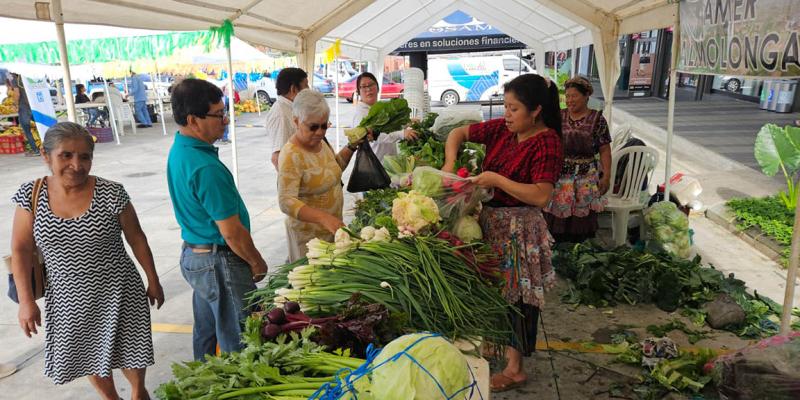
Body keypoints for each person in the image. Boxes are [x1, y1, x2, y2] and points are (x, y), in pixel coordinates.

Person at [10, 122, 164, 398]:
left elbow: (136, 238)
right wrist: (26, 301)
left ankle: (138, 391)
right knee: (89, 354)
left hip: (119, 289)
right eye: (65, 155)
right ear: (46, 156)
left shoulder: (112, 193)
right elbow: (20, 250)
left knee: (131, 351)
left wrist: (153, 279)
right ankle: (110, 397)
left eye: (85, 157)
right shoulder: (30, 196)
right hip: (68, 297)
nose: (76, 165)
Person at [442, 74, 563, 392]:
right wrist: (450, 163)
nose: (506, 114)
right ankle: (496, 346)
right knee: (497, 290)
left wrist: (496, 179)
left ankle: (515, 368)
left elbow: (541, 195)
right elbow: (458, 132)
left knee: (520, 297)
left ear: (535, 110)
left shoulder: (547, 141)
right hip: (492, 223)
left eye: (514, 109)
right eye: (506, 106)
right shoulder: (503, 130)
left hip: (521, 229)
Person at [166, 78, 269, 360]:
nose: (225, 121)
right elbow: (232, 232)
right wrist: (256, 261)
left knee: (208, 333)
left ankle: (202, 381)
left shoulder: (182, 151)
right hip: (218, 262)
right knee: (241, 342)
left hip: (197, 257)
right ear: (193, 120)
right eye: (218, 114)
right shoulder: (204, 167)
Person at [278, 90, 362, 262]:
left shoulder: (321, 143)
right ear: (296, 121)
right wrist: (323, 219)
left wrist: (352, 146)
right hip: (309, 242)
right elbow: (286, 201)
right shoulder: (291, 154)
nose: (320, 132)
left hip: (332, 232)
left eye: (324, 126)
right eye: (313, 127)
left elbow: (335, 168)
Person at [544, 76, 611, 243]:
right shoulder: (558, 116)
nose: (569, 100)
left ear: (586, 95)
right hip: (561, 177)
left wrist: (607, 176)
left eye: (574, 96)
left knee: (581, 223)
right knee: (556, 220)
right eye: (567, 96)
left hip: (585, 177)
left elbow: (604, 150)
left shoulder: (598, 120)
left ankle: (578, 251)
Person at [351, 72, 418, 161]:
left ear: (378, 88)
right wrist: (401, 134)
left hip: (388, 162)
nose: (368, 89)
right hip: (375, 165)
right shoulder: (360, 114)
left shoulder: (379, 108)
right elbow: (375, 136)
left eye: (371, 84)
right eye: (363, 86)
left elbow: (390, 128)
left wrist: (407, 123)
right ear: (358, 91)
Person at [265, 68, 309, 169]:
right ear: (293, 89)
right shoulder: (281, 113)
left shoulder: (292, 108)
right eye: (306, 85)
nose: (309, 88)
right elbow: (277, 158)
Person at [9, 73, 39, 156]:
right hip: (35, 106)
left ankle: (35, 150)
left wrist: (15, 105)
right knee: (41, 127)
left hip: (24, 107)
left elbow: (17, 93)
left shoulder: (15, 78)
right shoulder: (28, 76)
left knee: (27, 130)